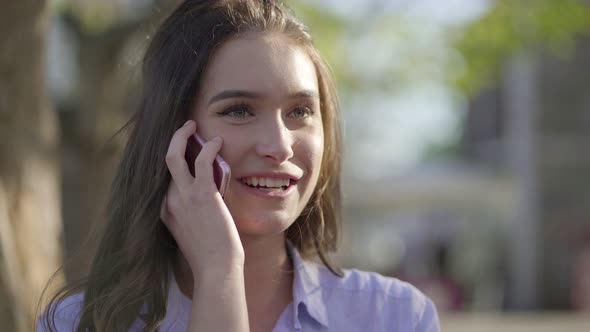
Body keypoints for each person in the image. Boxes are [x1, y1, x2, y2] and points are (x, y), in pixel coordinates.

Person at [38, 0, 440, 331]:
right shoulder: (79, 323)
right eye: (240, 111)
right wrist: (219, 275)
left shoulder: (395, 316)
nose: (280, 146)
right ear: (175, 137)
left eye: (300, 111)